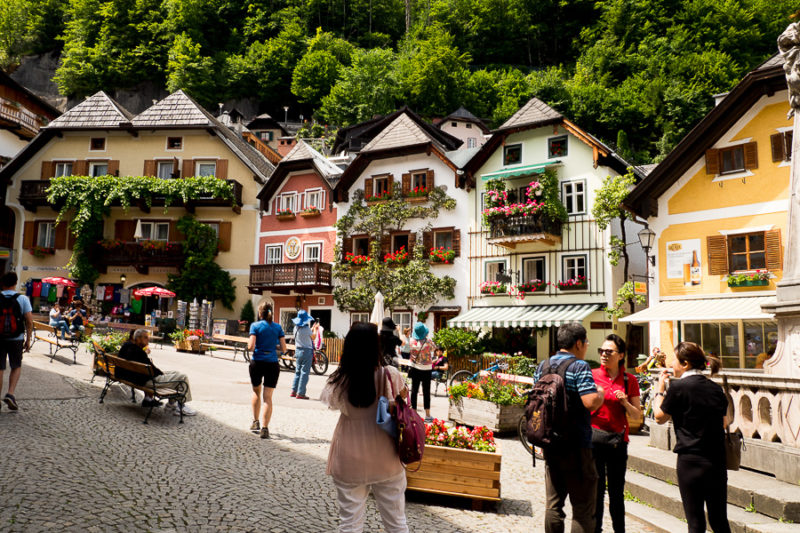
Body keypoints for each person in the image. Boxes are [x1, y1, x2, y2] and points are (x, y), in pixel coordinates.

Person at [320, 322, 410, 533]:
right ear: (376, 346)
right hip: (386, 456)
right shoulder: (390, 374)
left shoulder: (339, 379)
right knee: (396, 522)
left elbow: (330, 403)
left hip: (349, 457)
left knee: (349, 523)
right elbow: (404, 398)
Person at [534, 322, 604, 533]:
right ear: (579, 343)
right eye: (586, 343)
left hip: (551, 443)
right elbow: (590, 402)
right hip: (577, 446)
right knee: (582, 508)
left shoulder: (543, 366)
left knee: (553, 505)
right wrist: (600, 393)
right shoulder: (579, 366)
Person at [653, 342, 731, 533]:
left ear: (685, 363)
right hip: (716, 460)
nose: (671, 364)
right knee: (719, 519)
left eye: (674, 360)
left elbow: (659, 417)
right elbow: (725, 422)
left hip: (690, 460)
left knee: (695, 522)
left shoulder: (679, 388)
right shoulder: (715, 388)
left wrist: (660, 390)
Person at [591, 334, 642, 533]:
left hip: (617, 443)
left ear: (620, 355)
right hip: (594, 440)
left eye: (609, 351)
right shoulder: (592, 375)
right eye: (601, 351)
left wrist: (625, 402)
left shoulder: (629, 380)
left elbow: (637, 415)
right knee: (596, 493)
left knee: (616, 493)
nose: (604, 355)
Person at [117, 329, 197, 415]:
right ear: (138, 339)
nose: (148, 340)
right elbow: (152, 370)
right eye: (145, 338)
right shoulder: (138, 352)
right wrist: (161, 373)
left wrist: (161, 373)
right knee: (182, 377)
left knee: (175, 373)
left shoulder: (127, 346)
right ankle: (179, 406)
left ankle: (172, 404)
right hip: (148, 381)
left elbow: (150, 368)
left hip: (135, 378)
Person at [247, 302, 286, 438]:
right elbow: (284, 349)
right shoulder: (278, 327)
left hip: (257, 362)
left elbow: (251, 346)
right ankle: (265, 429)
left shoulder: (255, 326)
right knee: (268, 397)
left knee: (256, 392)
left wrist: (250, 345)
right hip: (272, 364)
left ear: (259, 313)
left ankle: (255, 422)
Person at [0, 272, 33, 412]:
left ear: (2, 283)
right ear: (15, 283)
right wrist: (28, 339)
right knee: (16, 365)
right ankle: (10, 393)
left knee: (0, 368)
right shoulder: (23, 299)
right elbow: (29, 321)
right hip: (17, 338)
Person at [408, 321, 437, 422]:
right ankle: (427, 415)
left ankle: (414, 413)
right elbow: (434, 348)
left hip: (415, 368)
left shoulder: (411, 341)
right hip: (426, 369)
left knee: (414, 391)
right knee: (426, 392)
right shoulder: (428, 342)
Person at [291, 309, 315, 400]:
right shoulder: (307, 329)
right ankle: (301, 393)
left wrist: (311, 329)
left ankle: (294, 391)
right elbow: (313, 337)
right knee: (304, 372)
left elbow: (306, 334)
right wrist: (315, 329)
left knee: (297, 372)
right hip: (307, 351)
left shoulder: (295, 328)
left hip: (298, 350)